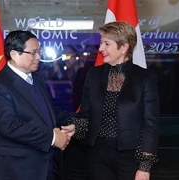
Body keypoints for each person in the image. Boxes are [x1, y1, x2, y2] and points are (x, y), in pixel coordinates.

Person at [62, 21, 160, 180]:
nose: (100, 49)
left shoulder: (145, 78)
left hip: (130, 158)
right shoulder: (93, 75)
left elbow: (151, 124)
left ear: (124, 47)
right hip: (97, 156)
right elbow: (85, 115)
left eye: (106, 44)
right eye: (101, 43)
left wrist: (144, 167)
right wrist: (76, 127)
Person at [0, 30, 75, 180]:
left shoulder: (37, 78)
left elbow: (47, 112)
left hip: (46, 166)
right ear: (14, 54)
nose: (38, 57)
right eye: (33, 52)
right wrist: (52, 138)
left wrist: (77, 121)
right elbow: (10, 125)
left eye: (39, 51)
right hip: (16, 170)